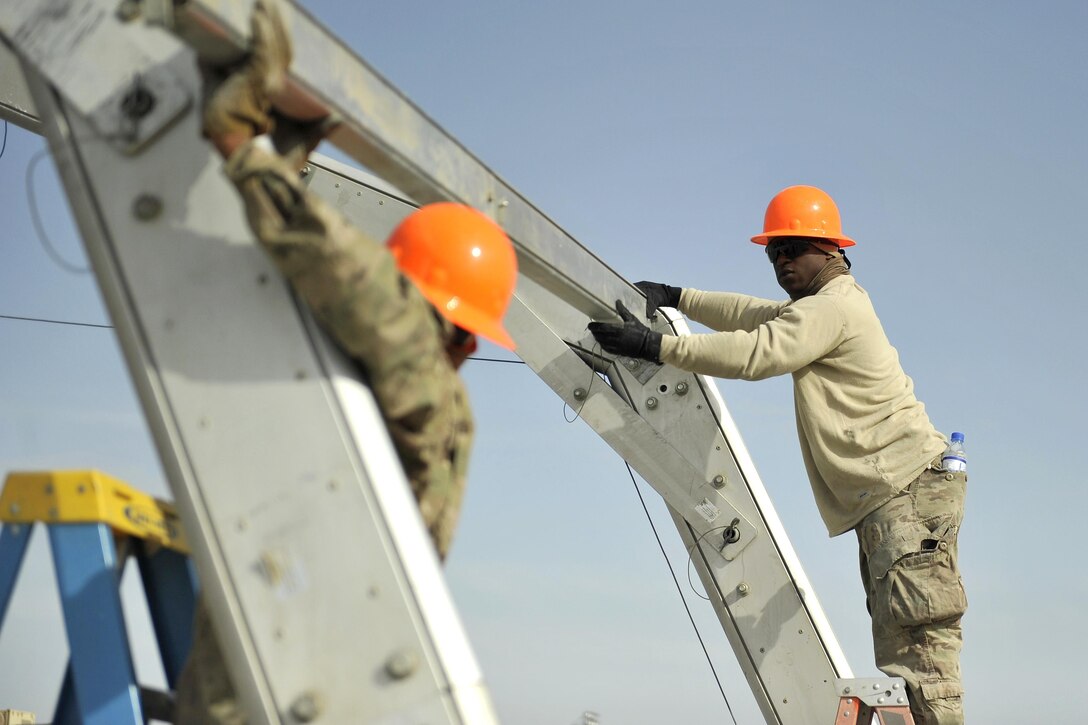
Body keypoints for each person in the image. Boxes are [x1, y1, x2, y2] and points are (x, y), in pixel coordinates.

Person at [176, 3, 518, 722]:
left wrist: (243, 146)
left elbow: (341, 267)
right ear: (471, 334)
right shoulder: (439, 400)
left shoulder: (409, 353)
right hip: (343, 656)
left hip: (288, 648)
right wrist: (291, 166)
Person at [588, 185, 966, 725]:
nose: (780, 261)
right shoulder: (824, 306)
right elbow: (753, 317)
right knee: (905, 649)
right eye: (773, 252)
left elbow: (758, 350)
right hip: (897, 496)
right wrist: (677, 296)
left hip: (905, 494)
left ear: (829, 250)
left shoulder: (832, 310)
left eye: (791, 249)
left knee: (919, 656)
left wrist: (658, 347)